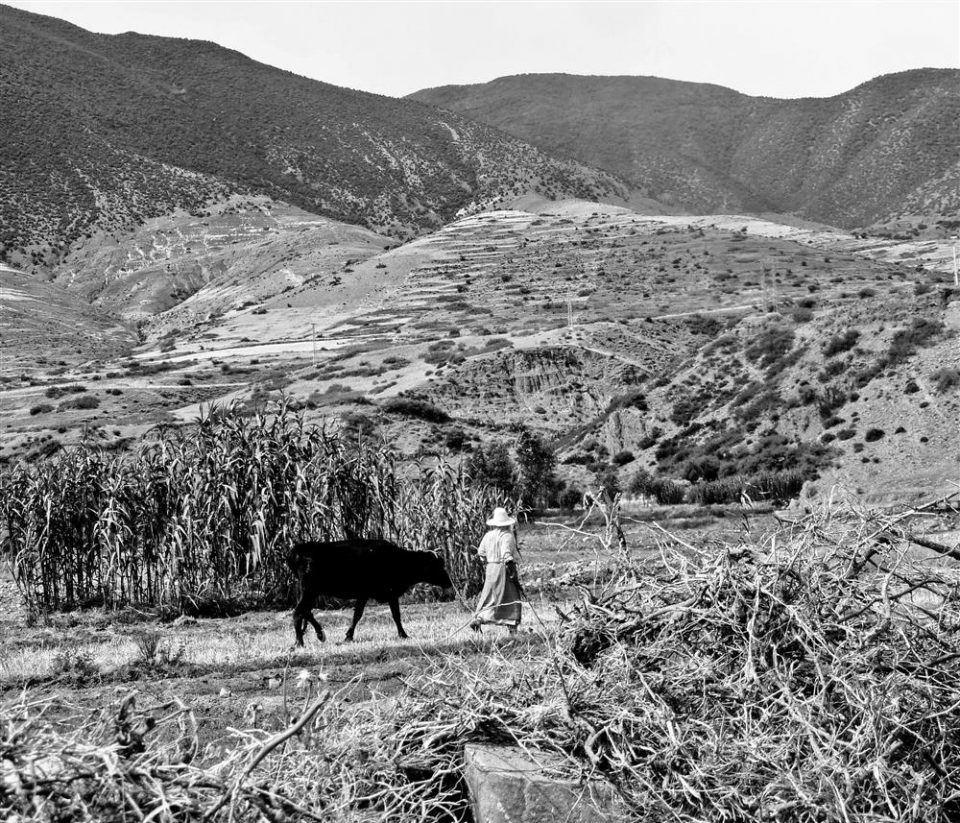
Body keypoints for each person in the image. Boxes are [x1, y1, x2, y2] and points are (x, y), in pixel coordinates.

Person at [471, 507, 523, 634]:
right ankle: (512, 626)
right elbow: (506, 555)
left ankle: (480, 618)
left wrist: (488, 561)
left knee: (489, 595)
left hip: (490, 569)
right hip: (503, 569)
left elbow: (481, 552)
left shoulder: (488, 535)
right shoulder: (507, 536)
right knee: (510, 597)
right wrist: (512, 571)